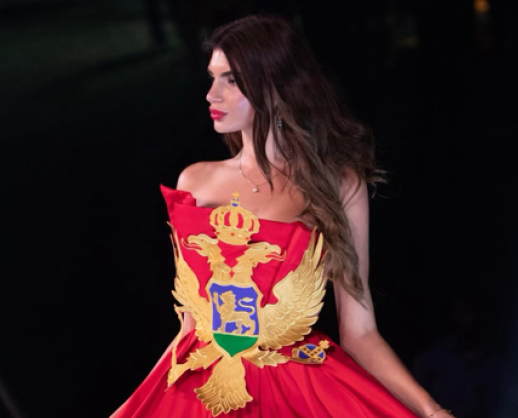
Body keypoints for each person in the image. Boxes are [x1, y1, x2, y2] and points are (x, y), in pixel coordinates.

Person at [111, 15, 455, 418]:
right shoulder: (195, 182)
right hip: (203, 393)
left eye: (231, 80)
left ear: (275, 85)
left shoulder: (337, 185)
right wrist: (132, 408)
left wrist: (431, 410)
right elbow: (190, 331)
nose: (211, 94)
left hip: (296, 392)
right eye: (212, 78)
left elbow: (360, 332)